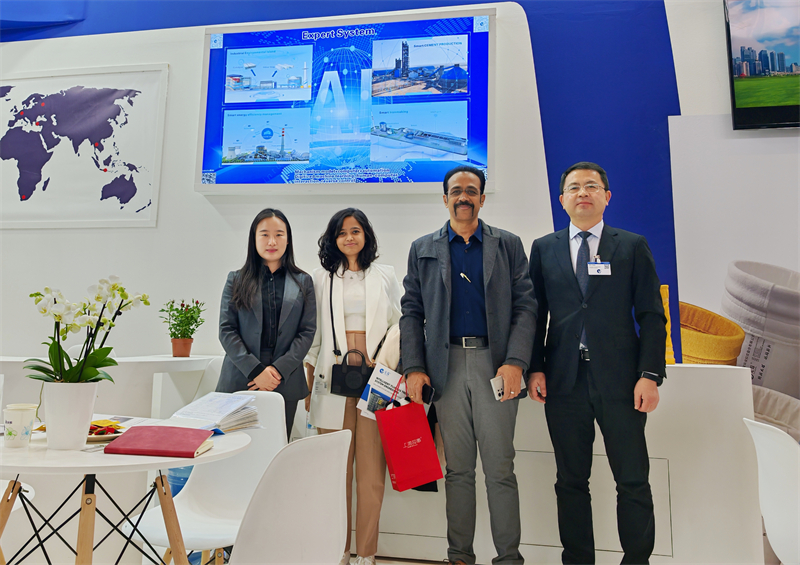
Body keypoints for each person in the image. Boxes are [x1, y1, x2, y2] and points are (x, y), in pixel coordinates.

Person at [528, 162, 667, 565]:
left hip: (621, 381)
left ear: (607, 196)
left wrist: (649, 375)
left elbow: (651, 315)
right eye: (574, 187)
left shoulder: (631, 245)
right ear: (562, 200)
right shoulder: (544, 248)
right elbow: (534, 315)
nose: (582, 193)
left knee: (632, 479)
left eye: (591, 186)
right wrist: (535, 367)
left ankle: (637, 560)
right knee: (571, 481)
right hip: (564, 381)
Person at [400, 165, 536, 565]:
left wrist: (516, 362)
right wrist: (414, 367)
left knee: (499, 469)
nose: (464, 197)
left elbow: (526, 307)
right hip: (446, 368)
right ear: (445, 199)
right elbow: (411, 312)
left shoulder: (507, 245)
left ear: (482, 198)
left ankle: (509, 558)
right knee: (457, 470)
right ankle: (459, 556)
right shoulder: (422, 249)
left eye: (472, 191)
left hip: (496, 366)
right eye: (456, 191)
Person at [304, 208, 402, 565]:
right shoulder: (321, 279)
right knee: (335, 472)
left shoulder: (385, 275)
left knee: (371, 473)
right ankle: (339, 550)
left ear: (366, 236)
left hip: (376, 376)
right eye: (342, 232)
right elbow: (313, 335)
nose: (349, 238)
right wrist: (307, 385)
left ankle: (367, 553)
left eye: (356, 231)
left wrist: (384, 359)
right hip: (332, 376)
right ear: (333, 239)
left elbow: (401, 323)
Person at [217, 208, 316, 441]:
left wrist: (277, 371)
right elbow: (226, 330)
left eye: (279, 234)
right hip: (242, 379)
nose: (272, 241)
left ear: (288, 239)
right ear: (254, 239)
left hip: (285, 380)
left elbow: (306, 331)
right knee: (235, 448)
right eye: (264, 234)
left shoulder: (303, 282)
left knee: (275, 448)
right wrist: (256, 371)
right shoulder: (236, 279)